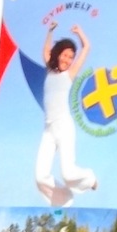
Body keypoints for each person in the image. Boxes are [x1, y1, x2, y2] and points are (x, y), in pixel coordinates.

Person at [35, 22, 98, 207]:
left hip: (64, 127)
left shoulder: (69, 74)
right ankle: (63, 201)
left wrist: (80, 32)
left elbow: (87, 47)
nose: (68, 60)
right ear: (58, 55)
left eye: (71, 57)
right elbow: (46, 50)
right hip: (48, 130)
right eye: (65, 55)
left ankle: (90, 179)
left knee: (68, 174)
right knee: (40, 177)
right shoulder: (50, 69)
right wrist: (50, 31)